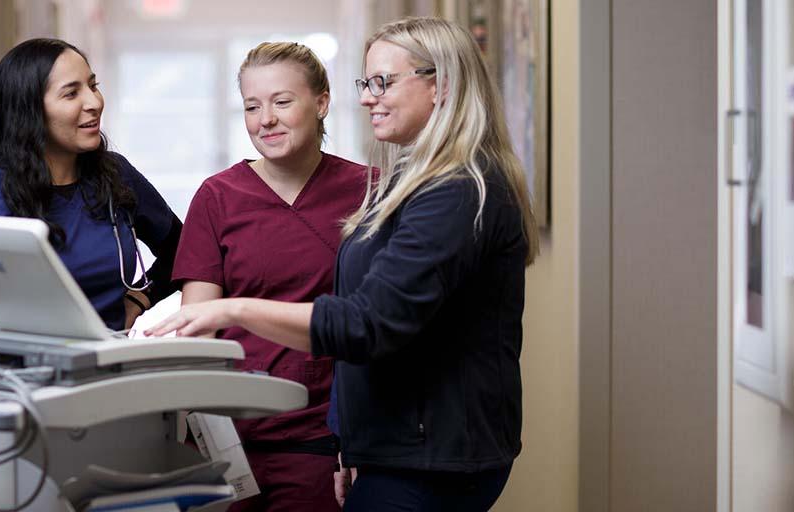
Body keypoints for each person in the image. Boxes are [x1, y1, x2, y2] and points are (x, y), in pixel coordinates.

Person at [147, 16, 539, 512]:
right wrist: (358, 439)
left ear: (439, 86)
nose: (369, 97)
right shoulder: (412, 185)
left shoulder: (449, 189)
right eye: (366, 83)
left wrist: (236, 310)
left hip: (419, 452)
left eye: (383, 82)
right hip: (374, 442)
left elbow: (368, 322)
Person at [173, 42, 367, 511]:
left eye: (282, 102)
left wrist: (363, 444)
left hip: (324, 437)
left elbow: (376, 326)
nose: (266, 120)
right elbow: (198, 330)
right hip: (232, 438)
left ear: (321, 102)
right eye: (252, 106)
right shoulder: (217, 197)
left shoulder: (369, 191)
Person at [0, 38, 181, 345]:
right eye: (71, 93)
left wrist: (139, 300)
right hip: (19, 374)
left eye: (93, 85)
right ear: (29, 111)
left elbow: (185, 250)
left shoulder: (116, 176)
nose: (94, 102)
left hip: (107, 365)